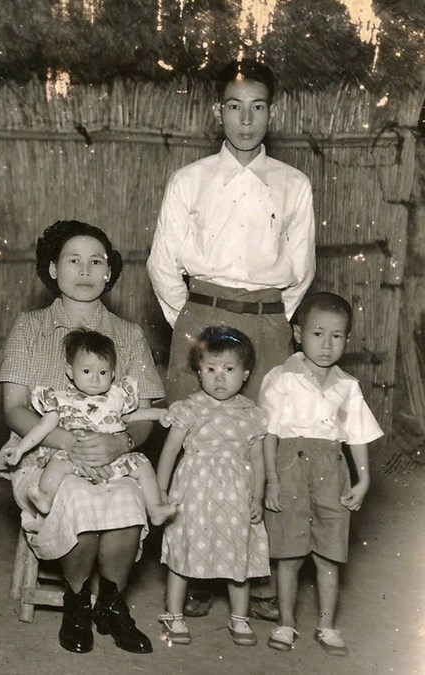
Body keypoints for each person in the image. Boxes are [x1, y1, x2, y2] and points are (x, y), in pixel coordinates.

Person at [147, 57, 315, 621]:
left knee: (263, 443)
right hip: (201, 316)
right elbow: (163, 265)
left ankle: (258, 577)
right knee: (197, 445)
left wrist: (271, 323)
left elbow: (301, 271)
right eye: (235, 107)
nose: (246, 120)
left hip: (267, 319)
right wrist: (190, 323)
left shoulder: (293, 184)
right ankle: (193, 570)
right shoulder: (190, 180)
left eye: (258, 107)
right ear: (217, 111)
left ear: (272, 112)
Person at [0, 220, 165, 654]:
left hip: (112, 453)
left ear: (109, 272)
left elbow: (143, 416)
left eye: (96, 262)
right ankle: (76, 602)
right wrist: (68, 444)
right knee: (78, 498)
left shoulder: (129, 335)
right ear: (53, 269)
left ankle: (110, 604)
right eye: (73, 260)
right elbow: (14, 408)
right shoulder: (30, 327)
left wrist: (119, 443)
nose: (85, 271)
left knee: (128, 499)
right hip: (46, 454)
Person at [259, 292, 381, 656]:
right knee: (289, 554)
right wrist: (272, 480)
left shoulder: (348, 386)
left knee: (329, 554)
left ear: (347, 339)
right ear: (298, 334)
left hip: (331, 471)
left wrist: (363, 479)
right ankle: (286, 623)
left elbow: (357, 435)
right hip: (289, 469)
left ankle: (327, 626)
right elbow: (269, 434)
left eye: (336, 336)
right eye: (317, 334)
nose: (327, 345)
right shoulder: (281, 378)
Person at [154, 326, 270, 647]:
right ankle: (174, 614)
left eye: (229, 369)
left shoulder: (252, 415)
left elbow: (257, 460)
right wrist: (160, 492)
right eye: (211, 369)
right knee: (184, 549)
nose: (220, 377)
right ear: (199, 372)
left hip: (235, 494)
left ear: (245, 375)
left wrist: (258, 496)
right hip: (193, 490)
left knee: (238, 551)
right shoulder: (189, 408)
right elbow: (170, 451)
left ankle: (240, 618)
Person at [1, 329, 176, 526]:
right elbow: (42, 428)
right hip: (74, 457)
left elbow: (130, 417)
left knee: (143, 465)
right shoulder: (62, 400)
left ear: (112, 374)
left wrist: (158, 414)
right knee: (56, 463)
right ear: (70, 372)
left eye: (102, 372)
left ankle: (155, 509)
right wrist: (20, 449)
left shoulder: (116, 397)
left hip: (112, 458)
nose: (95, 379)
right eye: (86, 371)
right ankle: (46, 496)